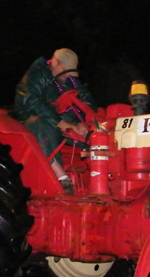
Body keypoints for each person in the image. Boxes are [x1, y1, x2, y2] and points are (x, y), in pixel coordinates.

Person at [13, 48, 95, 194]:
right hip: (32, 120)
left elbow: (86, 100)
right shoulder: (37, 74)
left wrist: (82, 122)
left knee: (95, 138)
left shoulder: (68, 79)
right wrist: (62, 124)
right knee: (41, 123)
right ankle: (60, 176)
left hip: (63, 123)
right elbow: (32, 102)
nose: (67, 76)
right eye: (64, 69)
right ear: (55, 62)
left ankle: (95, 182)